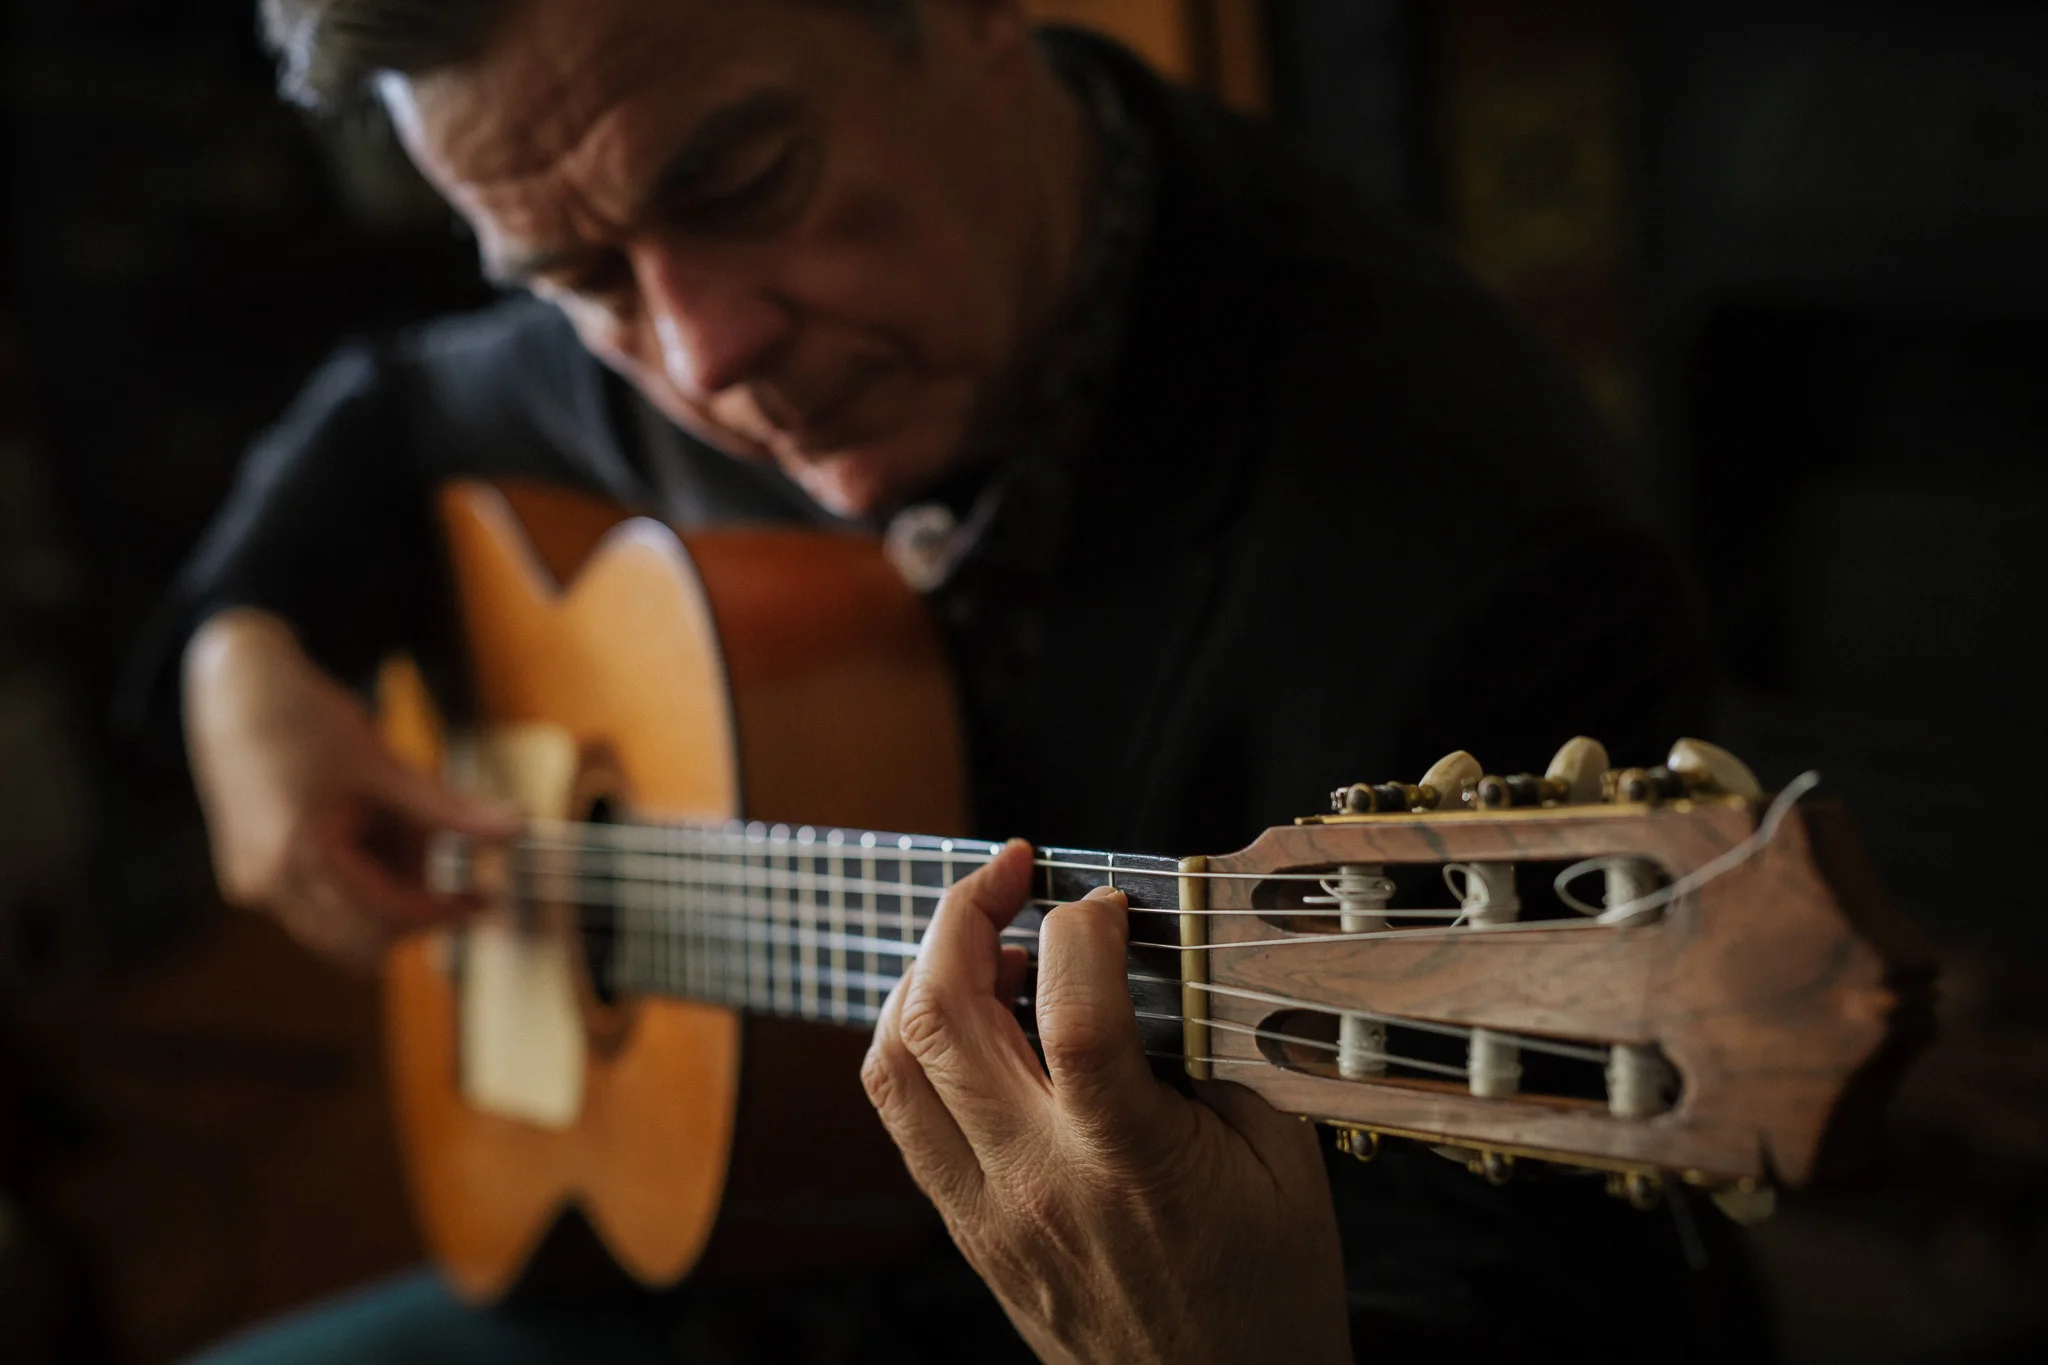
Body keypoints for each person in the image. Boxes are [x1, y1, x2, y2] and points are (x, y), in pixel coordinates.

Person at [132, 0, 1770, 1360]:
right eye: (577, 281)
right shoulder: (646, 252)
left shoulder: (1474, 538)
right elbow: (393, 404)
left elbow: (1547, 1297)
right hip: (713, 1277)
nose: (699, 359)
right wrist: (243, 653)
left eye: (749, 180)